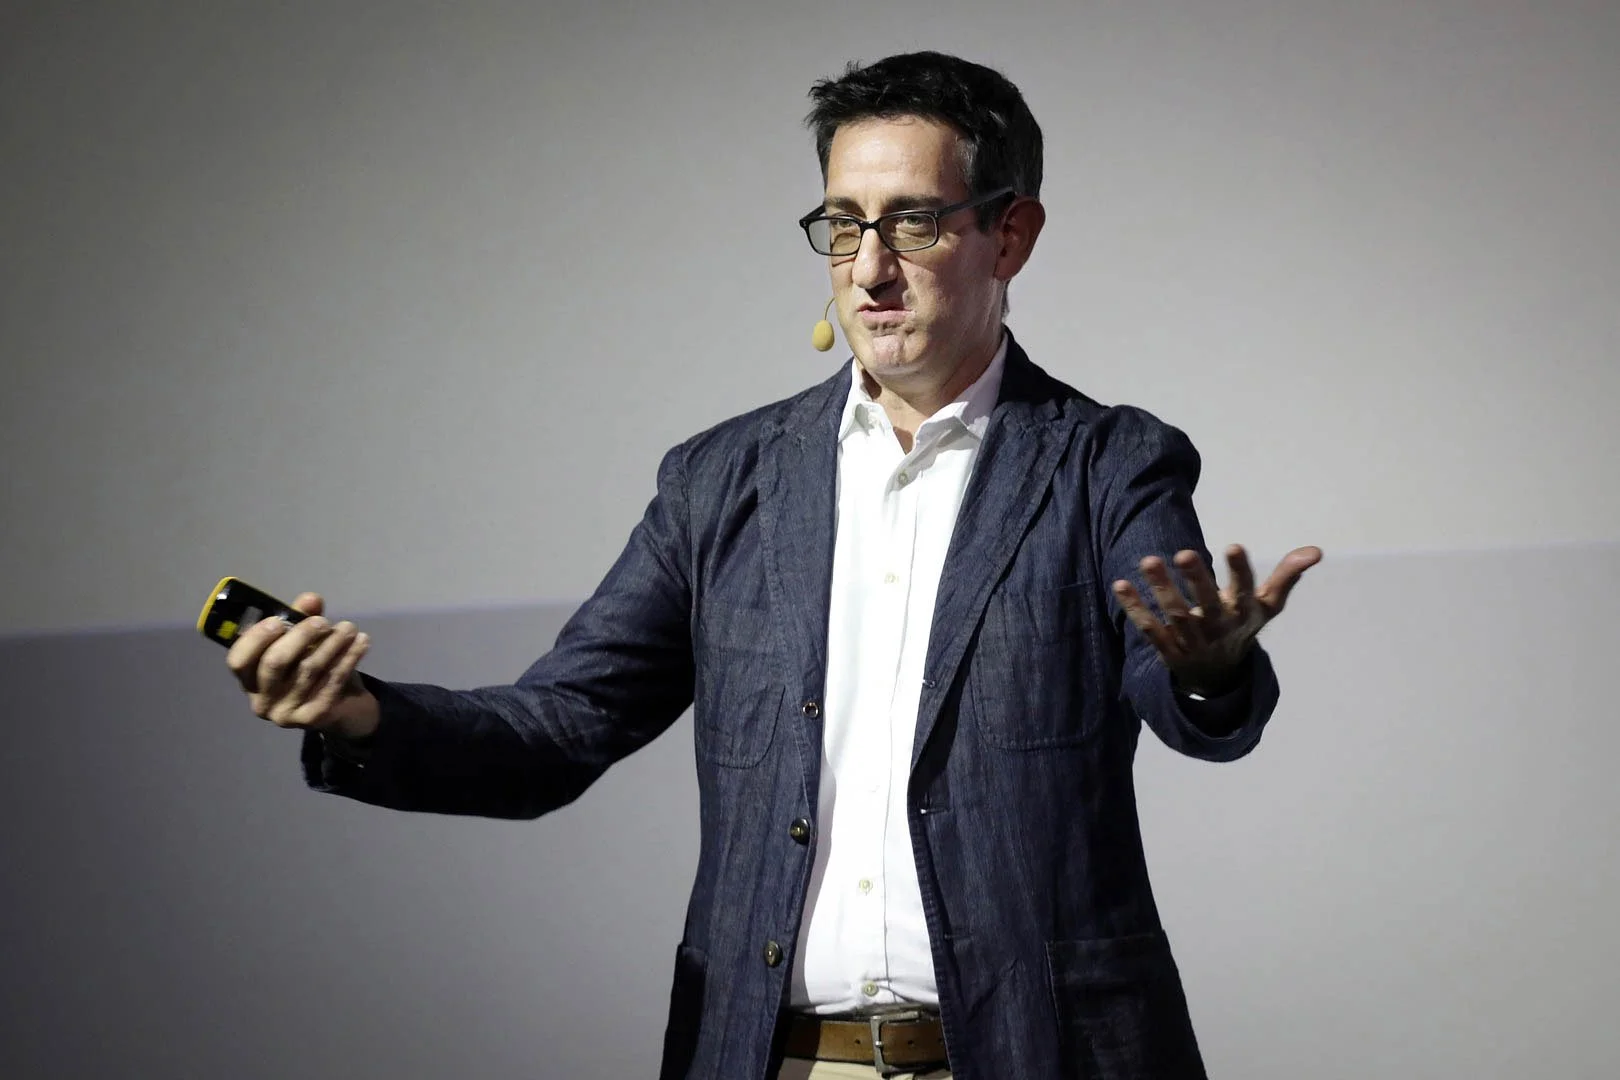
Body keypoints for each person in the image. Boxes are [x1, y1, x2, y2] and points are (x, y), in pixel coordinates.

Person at [226, 51, 1320, 1080]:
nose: (872, 269)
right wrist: (360, 713)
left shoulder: (1106, 462)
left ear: (1012, 234)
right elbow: (556, 730)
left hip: (1041, 1054)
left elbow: (1184, 696)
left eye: (916, 224)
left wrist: (1206, 668)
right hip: (782, 1059)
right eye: (844, 226)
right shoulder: (722, 482)